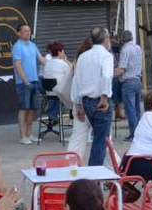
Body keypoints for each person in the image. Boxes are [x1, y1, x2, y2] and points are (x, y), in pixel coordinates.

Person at [71, 26, 115, 166]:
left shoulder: (83, 56)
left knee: (86, 139)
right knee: (100, 142)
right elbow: (107, 76)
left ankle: (99, 174)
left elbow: (76, 80)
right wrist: (104, 98)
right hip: (98, 101)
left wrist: (78, 104)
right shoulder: (106, 56)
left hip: (85, 102)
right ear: (105, 39)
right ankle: (94, 178)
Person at [11, 23, 42, 144]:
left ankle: (29, 133)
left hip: (34, 81)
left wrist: (57, 61)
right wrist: (25, 80)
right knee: (24, 108)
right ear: (18, 33)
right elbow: (17, 65)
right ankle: (22, 136)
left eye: (29, 31)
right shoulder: (17, 47)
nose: (28, 33)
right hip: (23, 83)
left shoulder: (33, 45)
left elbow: (41, 59)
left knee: (32, 109)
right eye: (25, 31)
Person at [114, 30, 144, 137]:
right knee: (137, 109)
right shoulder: (138, 48)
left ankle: (133, 135)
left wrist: (110, 75)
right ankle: (139, 134)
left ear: (122, 39)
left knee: (130, 110)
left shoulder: (125, 49)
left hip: (128, 83)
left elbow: (122, 68)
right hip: (137, 80)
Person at [41, 41, 71, 127]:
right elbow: (72, 72)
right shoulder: (63, 64)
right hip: (59, 93)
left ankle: (52, 114)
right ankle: (73, 118)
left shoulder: (47, 63)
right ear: (60, 52)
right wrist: (65, 59)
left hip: (48, 93)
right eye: (63, 51)